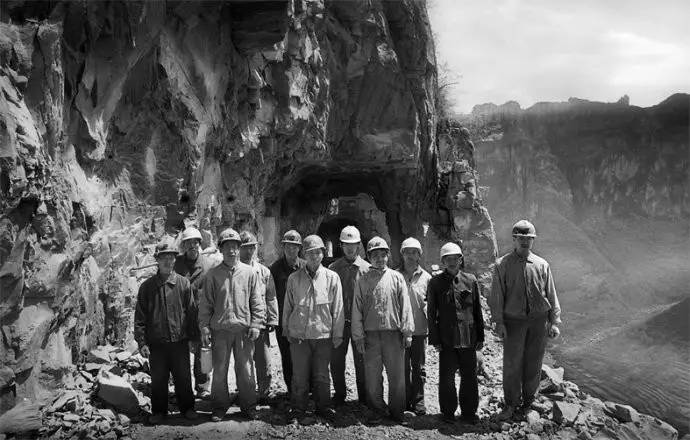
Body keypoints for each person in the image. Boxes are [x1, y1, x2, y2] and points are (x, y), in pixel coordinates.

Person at [489, 220, 562, 421]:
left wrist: (554, 321)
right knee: (512, 363)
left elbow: (551, 293)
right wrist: (499, 322)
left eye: (529, 238)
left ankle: (529, 400)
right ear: (514, 239)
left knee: (534, 361)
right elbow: (497, 296)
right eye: (521, 238)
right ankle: (511, 403)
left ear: (533, 240)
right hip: (513, 321)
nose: (525, 242)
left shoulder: (542, 264)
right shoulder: (502, 265)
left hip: (539, 321)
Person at [199, 228, 265, 422]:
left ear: (239, 248)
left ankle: (248, 406)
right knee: (219, 371)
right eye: (227, 247)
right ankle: (219, 407)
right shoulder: (212, 275)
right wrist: (204, 326)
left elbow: (257, 301)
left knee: (246, 370)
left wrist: (256, 324)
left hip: (243, 331)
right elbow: (205, 304)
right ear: (221, 249)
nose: (231, 250)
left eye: (235, 246)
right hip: (220, 331)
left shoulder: (250, 273)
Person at [134, 236, 198, 424]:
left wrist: (194, 338)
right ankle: (159, 412)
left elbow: (192, 313)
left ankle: (188, 408)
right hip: (157, 344)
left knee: (183, 378)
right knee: (159, 379)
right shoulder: (147, 287)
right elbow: (140, 317)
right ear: (157, 260)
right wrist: (142, 342)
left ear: (175, 259)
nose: (168, 261)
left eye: (171, 257)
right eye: (163, 257)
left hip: (180, 342)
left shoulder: (184, 284)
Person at [351, 236, 414, 424]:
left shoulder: (396, 278)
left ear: (388, 256)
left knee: (397, 377)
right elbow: (356, 309)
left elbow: (405, 306)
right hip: (370, 336)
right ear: (369, 257)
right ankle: (377, 411)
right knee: (372, 377)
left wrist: (407, 332)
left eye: (383, 255)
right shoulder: (363, 280)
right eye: (375, 255)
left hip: (393, 335)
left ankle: (397, 412)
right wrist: (358, 336)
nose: (379, 259)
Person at [283, 235, 344, 421]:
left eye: (318, 252)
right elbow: (288, 306)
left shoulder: (332, 278)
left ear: (323, 254)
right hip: (299, 336)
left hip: (323, 336)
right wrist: (286, 330)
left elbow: (338, 308)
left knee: (322, 375)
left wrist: (337, 334)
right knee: (299, 375)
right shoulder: (294, 278)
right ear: (304, 254)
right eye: (310, 253)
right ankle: (298, 409)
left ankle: (323, 407)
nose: (314, 256)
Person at [427, 242, 484, 424]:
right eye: (448, 259)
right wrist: (435, 339)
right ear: (443, 262)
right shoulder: (435, 283)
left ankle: (469, 413)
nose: (452, 262)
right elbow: (431, 313)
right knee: (446, 377)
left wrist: (480, 337)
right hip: (447, 339)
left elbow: (477, 310)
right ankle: (448, 413)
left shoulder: (471, 280)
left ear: (461, 260)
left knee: (469, 376)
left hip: (468, 337)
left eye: (455, 258)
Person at [327, 225, 370, 405]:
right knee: (336, 360)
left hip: (361, 323)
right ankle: (339, 394)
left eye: (353, 244)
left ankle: (364, 396)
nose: (350, 248)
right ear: (341, 245)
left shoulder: (368, 269)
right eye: (346, 244)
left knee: (362, 360)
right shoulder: (333, 268)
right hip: (339, 322)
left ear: (359, 245)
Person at [174, 226, 215, 398]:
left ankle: (203, 386)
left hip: (200, 316)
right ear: (183, 245)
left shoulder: (208, 266)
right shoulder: (176, 264)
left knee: (203, 354)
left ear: (199, 244)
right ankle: (183, 390)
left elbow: (213, 294)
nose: (192, 246)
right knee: (180, 355)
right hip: (180, 317)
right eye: (188, 243)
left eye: (195, 242)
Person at [239, 231, 279, 403]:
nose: (249, 251)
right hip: (241, 323)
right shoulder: (234, 271)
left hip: (260, 322)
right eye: (245, 247)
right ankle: (246, 393)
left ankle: (264, 392)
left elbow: (271, 296)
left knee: (263, 359)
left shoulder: (264, 272)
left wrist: (272, 318)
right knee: (244, 361)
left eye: (252, 247)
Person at [397, 237, 432, 415]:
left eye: (414, 252)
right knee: (402, 367)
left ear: (419, 255)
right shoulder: (394, 276)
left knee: (418, 368)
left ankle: (418, 401)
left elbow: (431, 305)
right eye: (407, 252)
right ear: (402, 254)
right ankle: (403, 400)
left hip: (419, 330)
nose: (410, 256)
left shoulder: (427, 278)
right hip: (400, 331)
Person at [268, 230, 305, 395]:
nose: (291, 249)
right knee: (287, 355)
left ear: (299, 248)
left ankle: (307, 388)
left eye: (294, 246)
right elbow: (271, 295)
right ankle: (291, 389)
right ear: (283, 247)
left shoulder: (305, 266)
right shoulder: (275, 269)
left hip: (303, 319)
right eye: (288, 246)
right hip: (284, 320)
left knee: (305, 354)